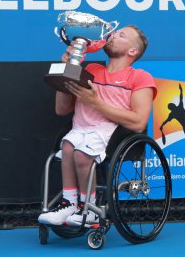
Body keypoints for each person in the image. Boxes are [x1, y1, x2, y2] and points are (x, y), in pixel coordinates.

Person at [38, 25, 157, 227]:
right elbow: (61, 109)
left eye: (121, 35)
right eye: (113, 33)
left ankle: (89, 209)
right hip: (79, 128)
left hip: (108, 134)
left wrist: (94, 102)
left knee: (81, 155)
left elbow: (138, 123)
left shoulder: (139, 77)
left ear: (132, 51)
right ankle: (69, 204)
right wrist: (67, 69)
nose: (112, 36)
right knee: (67, 147)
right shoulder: (91, 70)